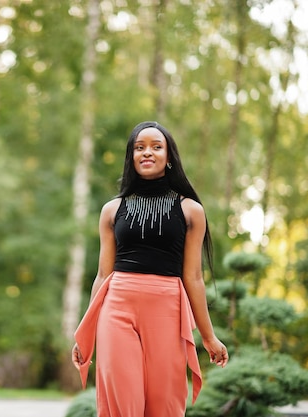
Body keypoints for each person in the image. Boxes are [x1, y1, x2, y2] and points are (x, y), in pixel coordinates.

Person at [71, 121, 228, 417]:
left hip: (167, 309)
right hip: (116, 307)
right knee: (121, 403)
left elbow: (193, 277)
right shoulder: (112, 210)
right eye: (139, 147)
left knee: (165, 403)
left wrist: (209, 337)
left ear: (169, 158)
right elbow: (103, 276)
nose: (147, 152)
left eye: (156, 147)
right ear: (131, 157)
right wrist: (86, 332)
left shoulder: (191, 210)